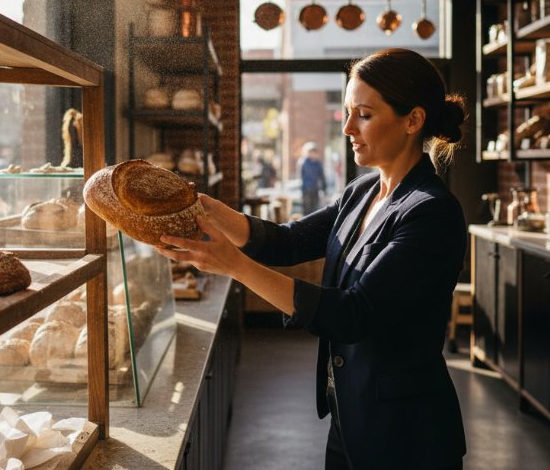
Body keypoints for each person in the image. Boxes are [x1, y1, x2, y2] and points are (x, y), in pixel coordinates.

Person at [156, 48, 468, 470]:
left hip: (405, 433)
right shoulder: (361, 192)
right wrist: (207, 209)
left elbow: (354, 315)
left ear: (412, 120)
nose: (348, 127)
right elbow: (286, 242)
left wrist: (233, 265)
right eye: (346, 111)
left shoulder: (432, 212)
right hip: (349, 415)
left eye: (364, 114)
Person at [298, 141, 326, 215]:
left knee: (315, 207)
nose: (313, 154)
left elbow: (322, 176)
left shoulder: (318, 163)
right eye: (311, 152)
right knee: (306, 208)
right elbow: (301, 176)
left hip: (315, 188)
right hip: (306, 189)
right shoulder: (303, 162)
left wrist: (324, 187)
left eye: (314, 152)